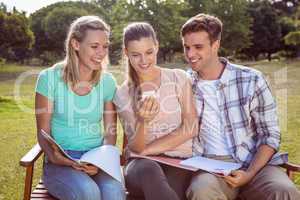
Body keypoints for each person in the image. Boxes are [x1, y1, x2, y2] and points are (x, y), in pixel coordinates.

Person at [181, 13, 300, 200]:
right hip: (211, 167)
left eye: (198, 47)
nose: (190, 54)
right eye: (186, 47)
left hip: (255, 163)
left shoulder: (251, 79)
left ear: (215, 45)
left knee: (284, 190)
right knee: (202, 191)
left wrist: (250, 173)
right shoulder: (183, 82)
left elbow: (270, 135)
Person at [35, 15, 125, 200]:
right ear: (76, 44)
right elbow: (43, 133)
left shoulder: (107, 82)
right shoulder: (49, 78)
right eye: (94, 46)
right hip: (60, 160)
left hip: (96, 158)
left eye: (105, 46)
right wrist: (56, 157)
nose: (101, 53)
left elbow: (110, 132)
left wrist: (100, 163)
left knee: (114, 193)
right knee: (88, 192)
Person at [113, 22, 198, 200]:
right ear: (126, 52)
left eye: (149, 52)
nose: (144, 61)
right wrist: (144, 121)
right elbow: (136, 147)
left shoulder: (178, 78)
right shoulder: (122, 94)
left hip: (179, 161)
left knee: (167, 188)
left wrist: (147, 150)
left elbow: (191, 127)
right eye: (136, 55)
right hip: (141, 167)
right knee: (149, 170)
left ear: (157, 47)